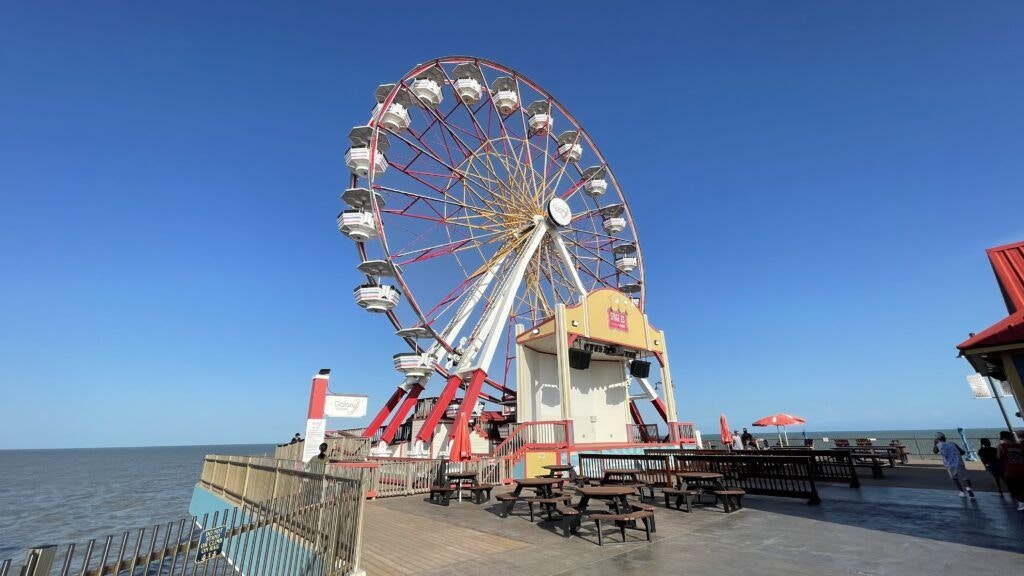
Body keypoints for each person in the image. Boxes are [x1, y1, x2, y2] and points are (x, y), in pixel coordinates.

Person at [933, 432, 974, 498]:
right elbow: (962, 452)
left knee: (955, 479)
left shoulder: (939, 445)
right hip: (959, 463)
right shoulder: (952, 443)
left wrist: (935, 444)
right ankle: (969, 489)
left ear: (937, 439)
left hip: (950, 464)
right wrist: (955, 454)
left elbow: (935, 451)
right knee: (965, 478)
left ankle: (962, 492)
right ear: (944, 438)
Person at [996, 430, 1024, 511]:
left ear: (1003, 438)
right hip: (1022, 468)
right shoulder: (1019, 446)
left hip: (1011, 470)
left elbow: (998, 457)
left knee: (1013, 487)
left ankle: (1021, 503)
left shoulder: (1001, 446)